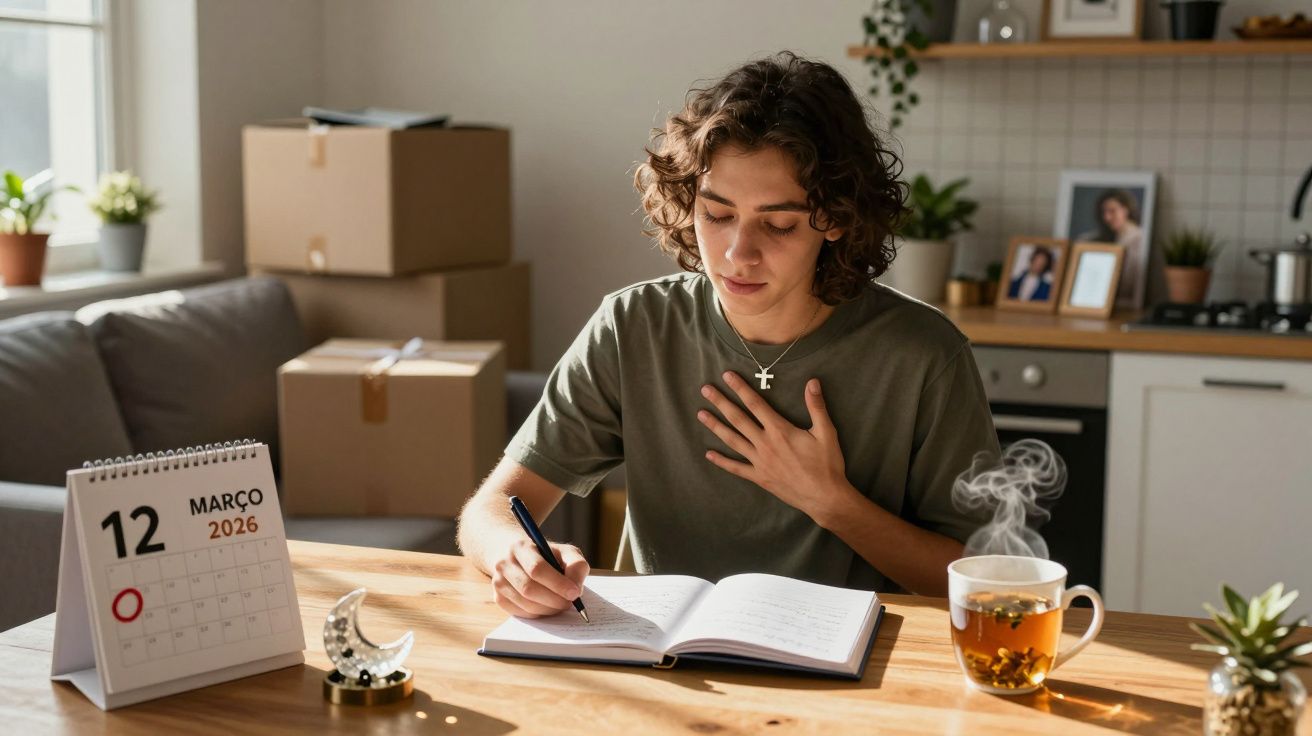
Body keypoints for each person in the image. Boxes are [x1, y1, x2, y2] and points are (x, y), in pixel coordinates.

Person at [456, 51, 1000, 619]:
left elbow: (981, 582)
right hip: (663, 664)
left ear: (836, 220)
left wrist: (832, 504)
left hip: (854, 675)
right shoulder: (633, 327)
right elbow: (491, 509)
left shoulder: (924, 354)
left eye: (780, 224)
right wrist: (513, 556)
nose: (739, 255)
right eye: (716, 214)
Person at [1077, 189, 1143, 303]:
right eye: (1104, 212)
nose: (1107, 217)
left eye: (1112, 211)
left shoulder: (1138, 239)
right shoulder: (1106, 236)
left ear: (1126, 209)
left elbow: (1128, 282)